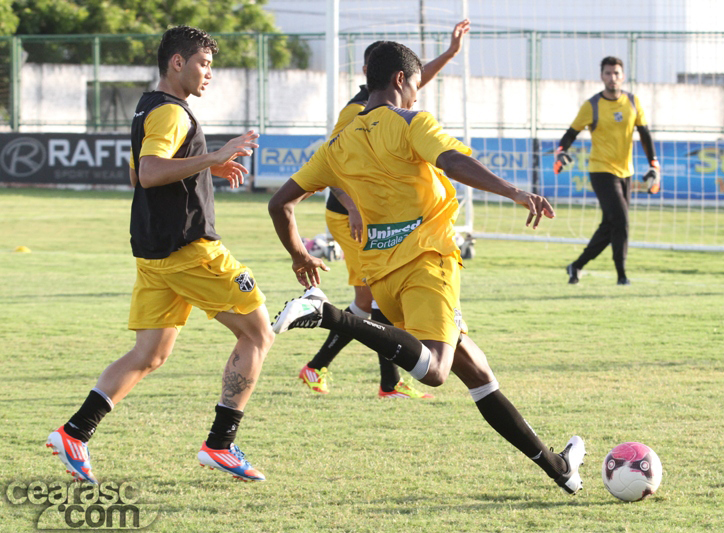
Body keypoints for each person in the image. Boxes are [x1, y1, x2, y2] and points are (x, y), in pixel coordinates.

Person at [268, 41, 586, 494]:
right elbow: (452, 161)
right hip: (427, 263)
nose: (417, 94)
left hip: (384, 278)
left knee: (477, 373)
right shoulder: (411, 122)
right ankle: (328, 314)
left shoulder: (336, 144)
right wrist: (514, 192)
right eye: (416, 84)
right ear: (400, 79)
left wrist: (299, 254)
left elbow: (280, 204)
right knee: (436, 371)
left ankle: (560, 468)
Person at [46, 26, 273, 483]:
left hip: (155, 254)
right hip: (189, 250)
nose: (209, 73)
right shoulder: (171, 112)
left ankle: (75, 433)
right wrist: (212, 157)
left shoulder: (147, 106)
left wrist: (204, 167)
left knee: (149, 354)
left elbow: (137, 173)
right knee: (257, 334)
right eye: (203, 63)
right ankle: (220, 444)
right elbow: (149, 173)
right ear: (177, 62)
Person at [302, 20, 471, 399]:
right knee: (368, 301)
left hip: (380, 217)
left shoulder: (391, 107)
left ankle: (388, 382)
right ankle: (319, 366)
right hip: (352, 216)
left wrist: (449, 54)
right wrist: (352, 207)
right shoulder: (354, 114)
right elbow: (329, 166)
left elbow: (416, 80)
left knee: (377, 301)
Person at [554, 56, 660, 285]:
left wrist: (654, 164)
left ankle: (576, 266)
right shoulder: (592, 105)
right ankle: (621, 275)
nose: (613, 77)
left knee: (610, 224)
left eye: (616, 73)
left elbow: (644, 134)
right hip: (601, 170)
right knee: (621, 220)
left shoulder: (633, 102)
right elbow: (571, 133)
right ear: (602, 76)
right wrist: (561, 151)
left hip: (626, 172)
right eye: (608, 73)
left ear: (623, 76)